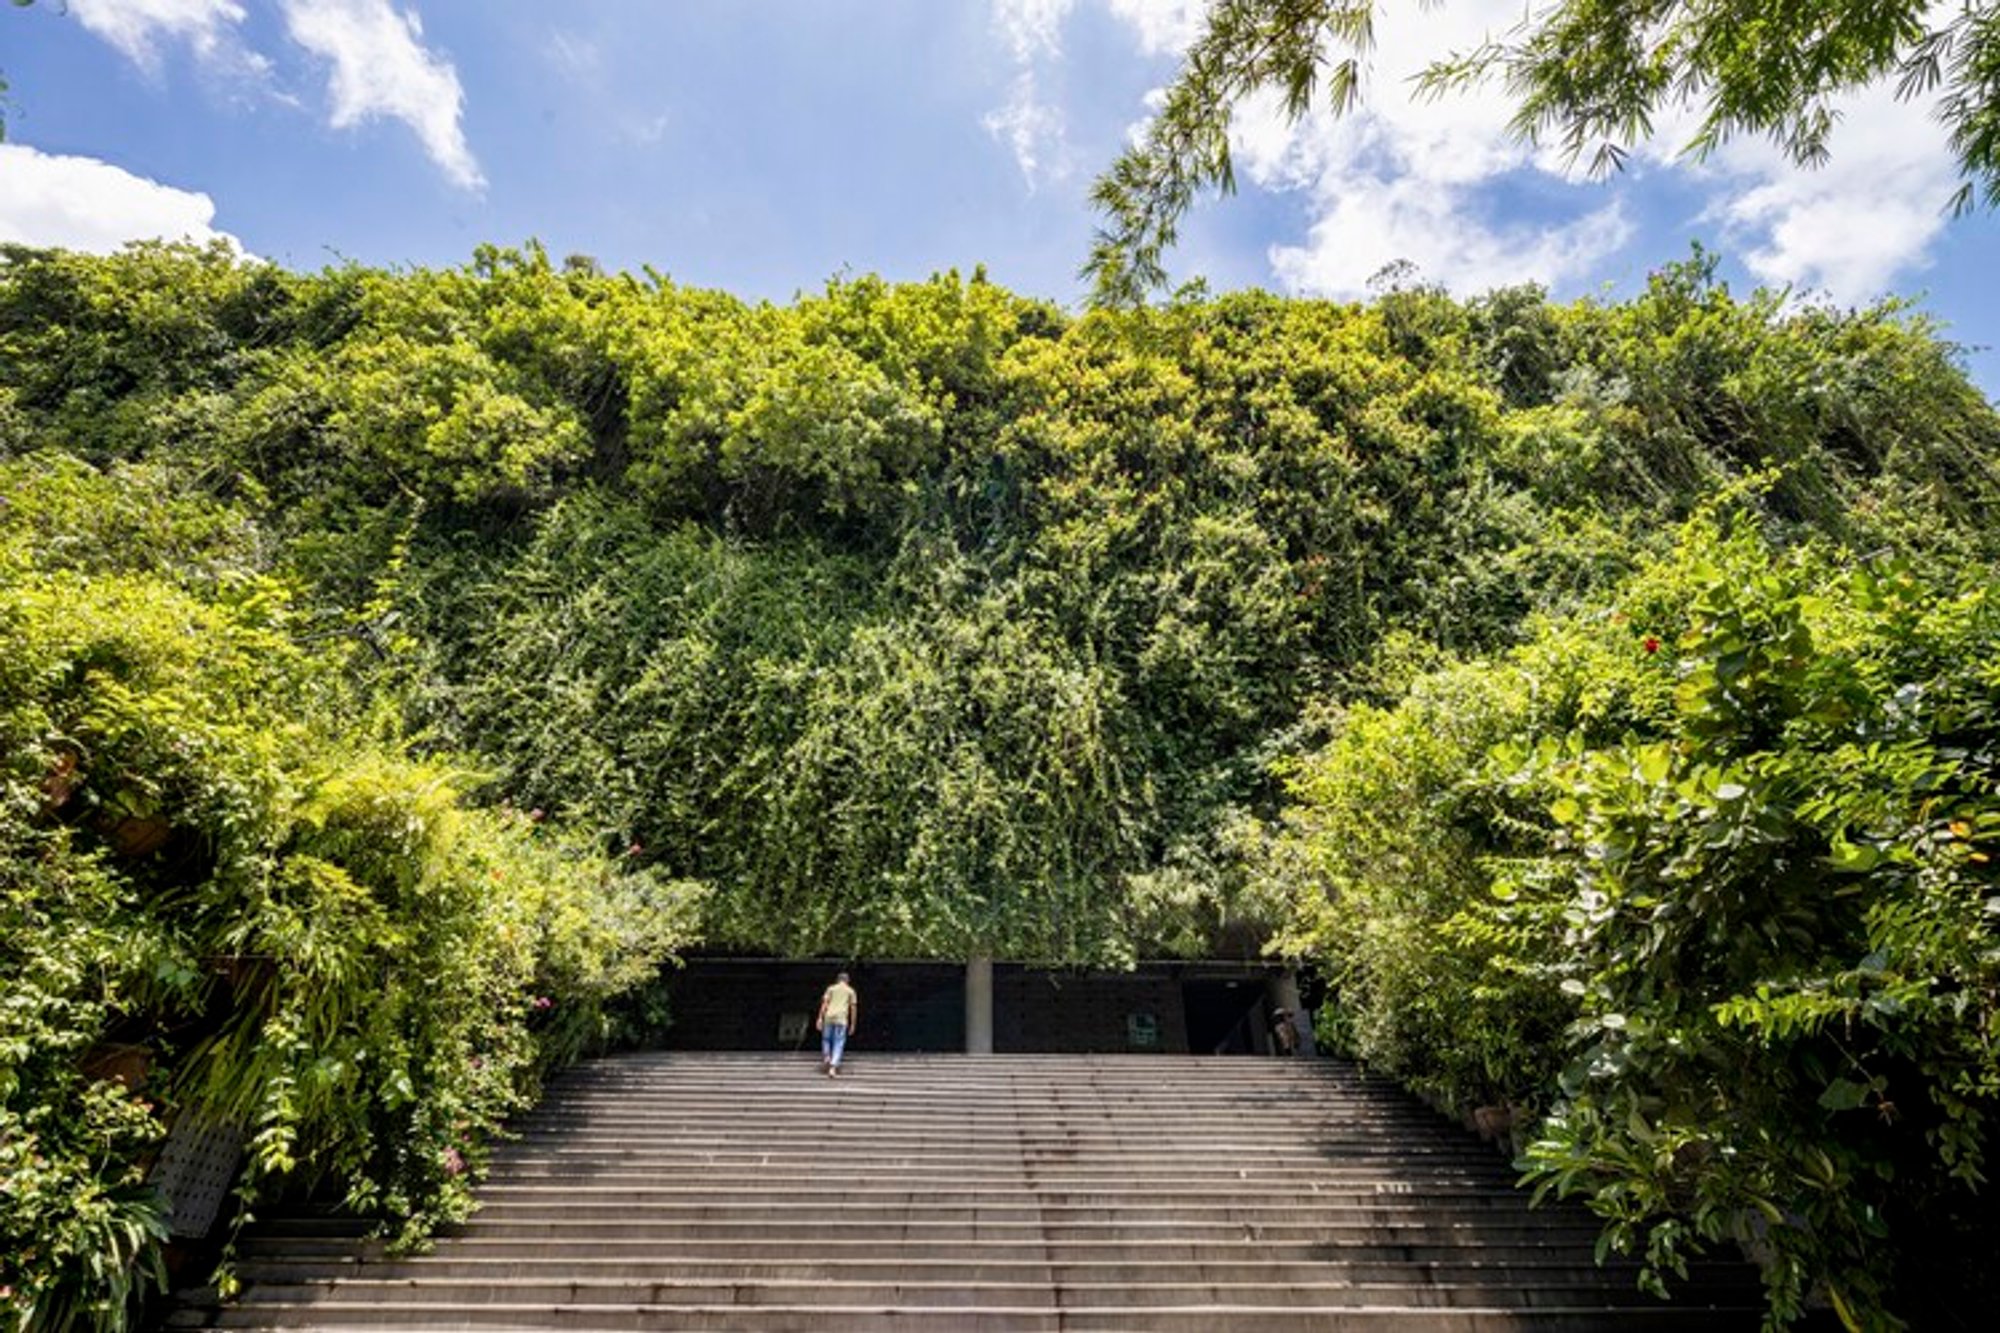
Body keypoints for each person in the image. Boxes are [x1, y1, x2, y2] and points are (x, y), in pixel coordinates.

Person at [816, 971, 859, 1077]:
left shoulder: (831, 989)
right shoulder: (850, 991)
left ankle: (827, 1057)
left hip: (828, 1017)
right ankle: (833, 1067)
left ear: (837, 980)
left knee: (826, 1039)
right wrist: (853, 1024)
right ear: (847, 981)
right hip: (841, 1019)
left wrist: (820, 1018)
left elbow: (825, 1004)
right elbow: (853, 1008)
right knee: (838, 1042)